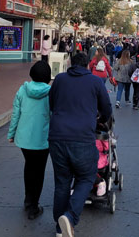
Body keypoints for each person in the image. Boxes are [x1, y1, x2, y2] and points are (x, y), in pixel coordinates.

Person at [49, 52, 111, 237]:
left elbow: (52, 103)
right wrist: (100, 120)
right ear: (87, 66)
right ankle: (70, 216)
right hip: (82, 138)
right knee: (86, 176)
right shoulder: (95, 82)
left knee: (62, 182)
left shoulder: (60, 79)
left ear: (70, 63)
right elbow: (106, 108)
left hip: (58, 137)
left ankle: (60, 228)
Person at [7, 61, 52, 220]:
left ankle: (28, 199)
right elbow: (54, 115)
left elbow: (15, 114)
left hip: (24, 138)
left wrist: (11, 133)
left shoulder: (22, 90)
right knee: (39, 171)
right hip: (43, 138)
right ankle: (33, 206)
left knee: (29, 167)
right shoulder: (51, 92)